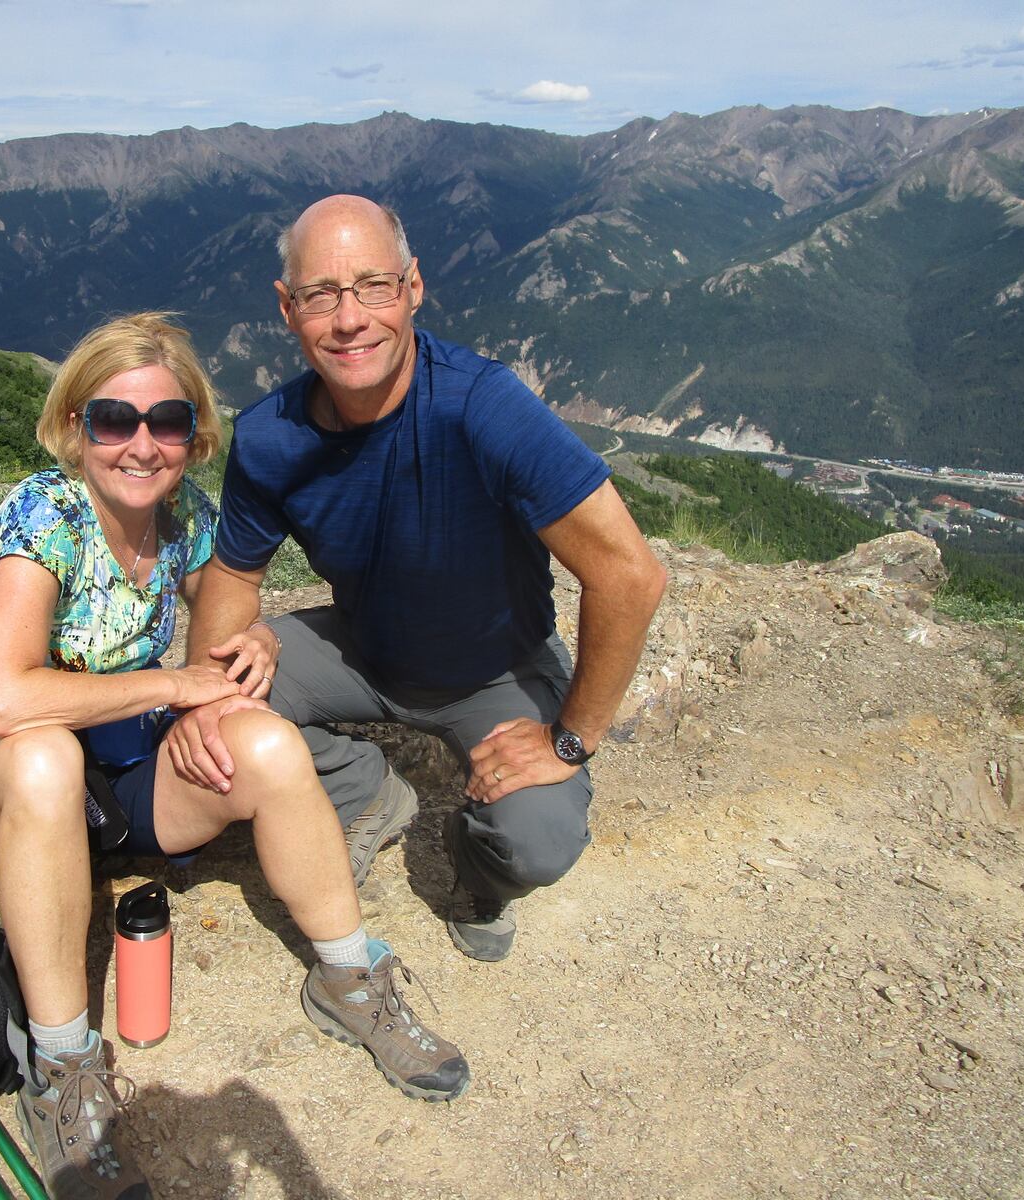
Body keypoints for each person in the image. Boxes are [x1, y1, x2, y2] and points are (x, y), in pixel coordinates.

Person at [0, 313, 469, 1200]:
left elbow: (228, 612)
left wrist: (254, 640)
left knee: (264, 738)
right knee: (44, 761)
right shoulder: (44, 515)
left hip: (122, 778)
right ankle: (63, 1072)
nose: (142, 445)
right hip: (4, 779)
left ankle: (350, 978)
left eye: (167, 423)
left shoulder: (186, 523)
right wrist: (172, 688)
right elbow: (2, 700)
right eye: (114, 421)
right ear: (75, 428)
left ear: (194, 436)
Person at [170, 196, 668, 964]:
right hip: (361, 648)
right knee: (215, 731)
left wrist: (570, 740)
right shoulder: (271, 434)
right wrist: (207, 690)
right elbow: (234, 574)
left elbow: (629, 575)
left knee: (537, 840)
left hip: (494, 668)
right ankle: (363, 790)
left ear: (412, 289)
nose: (349, 319)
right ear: (286, 307)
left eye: (373, 286)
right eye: (320, 294)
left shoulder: (482, 406)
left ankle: (478, 872)